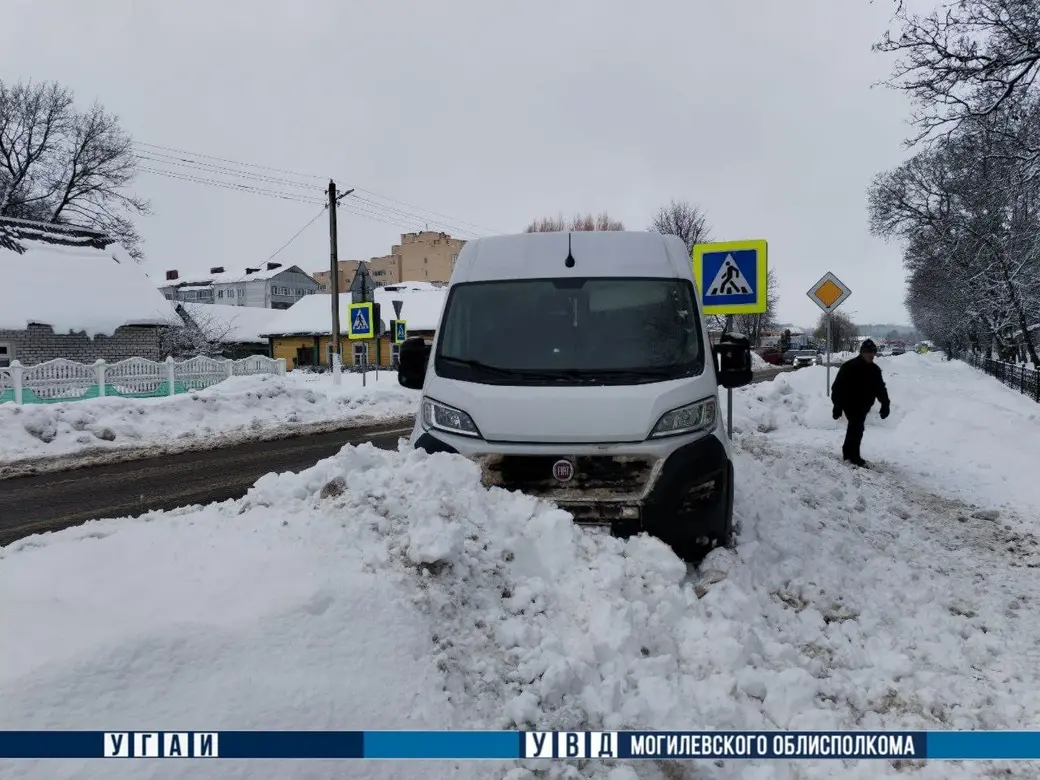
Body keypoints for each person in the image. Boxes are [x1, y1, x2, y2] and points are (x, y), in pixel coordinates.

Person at [830, 339, 890, 467]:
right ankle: (853, 456)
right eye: (868, 352)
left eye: (873, 352)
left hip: (864, 405)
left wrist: (885, 404)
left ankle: (848, 453)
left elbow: (880, 388)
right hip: (849, 403)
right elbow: (837, 387)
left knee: (856, 426)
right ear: (862, 352)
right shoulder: (849, 367)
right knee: (857, 426)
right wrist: (837, 405)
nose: (871, 355)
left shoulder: (875, 370)